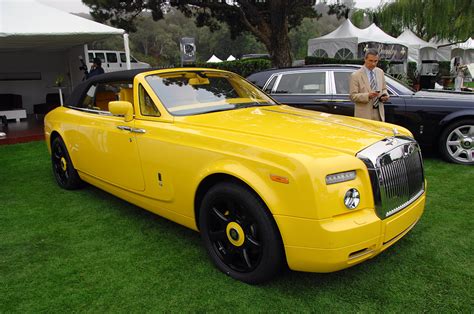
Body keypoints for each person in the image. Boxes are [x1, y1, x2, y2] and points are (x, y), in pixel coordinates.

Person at [349, 49, 389, 121]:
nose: (373, 64)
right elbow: (353, 96)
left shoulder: (380, 72)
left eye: (375, 61)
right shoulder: (356, 75)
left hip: (379, 113)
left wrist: (385, 95)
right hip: (364, 115)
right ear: (365, 59)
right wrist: (368, 96)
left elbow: (384, 89)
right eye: (371, 61)